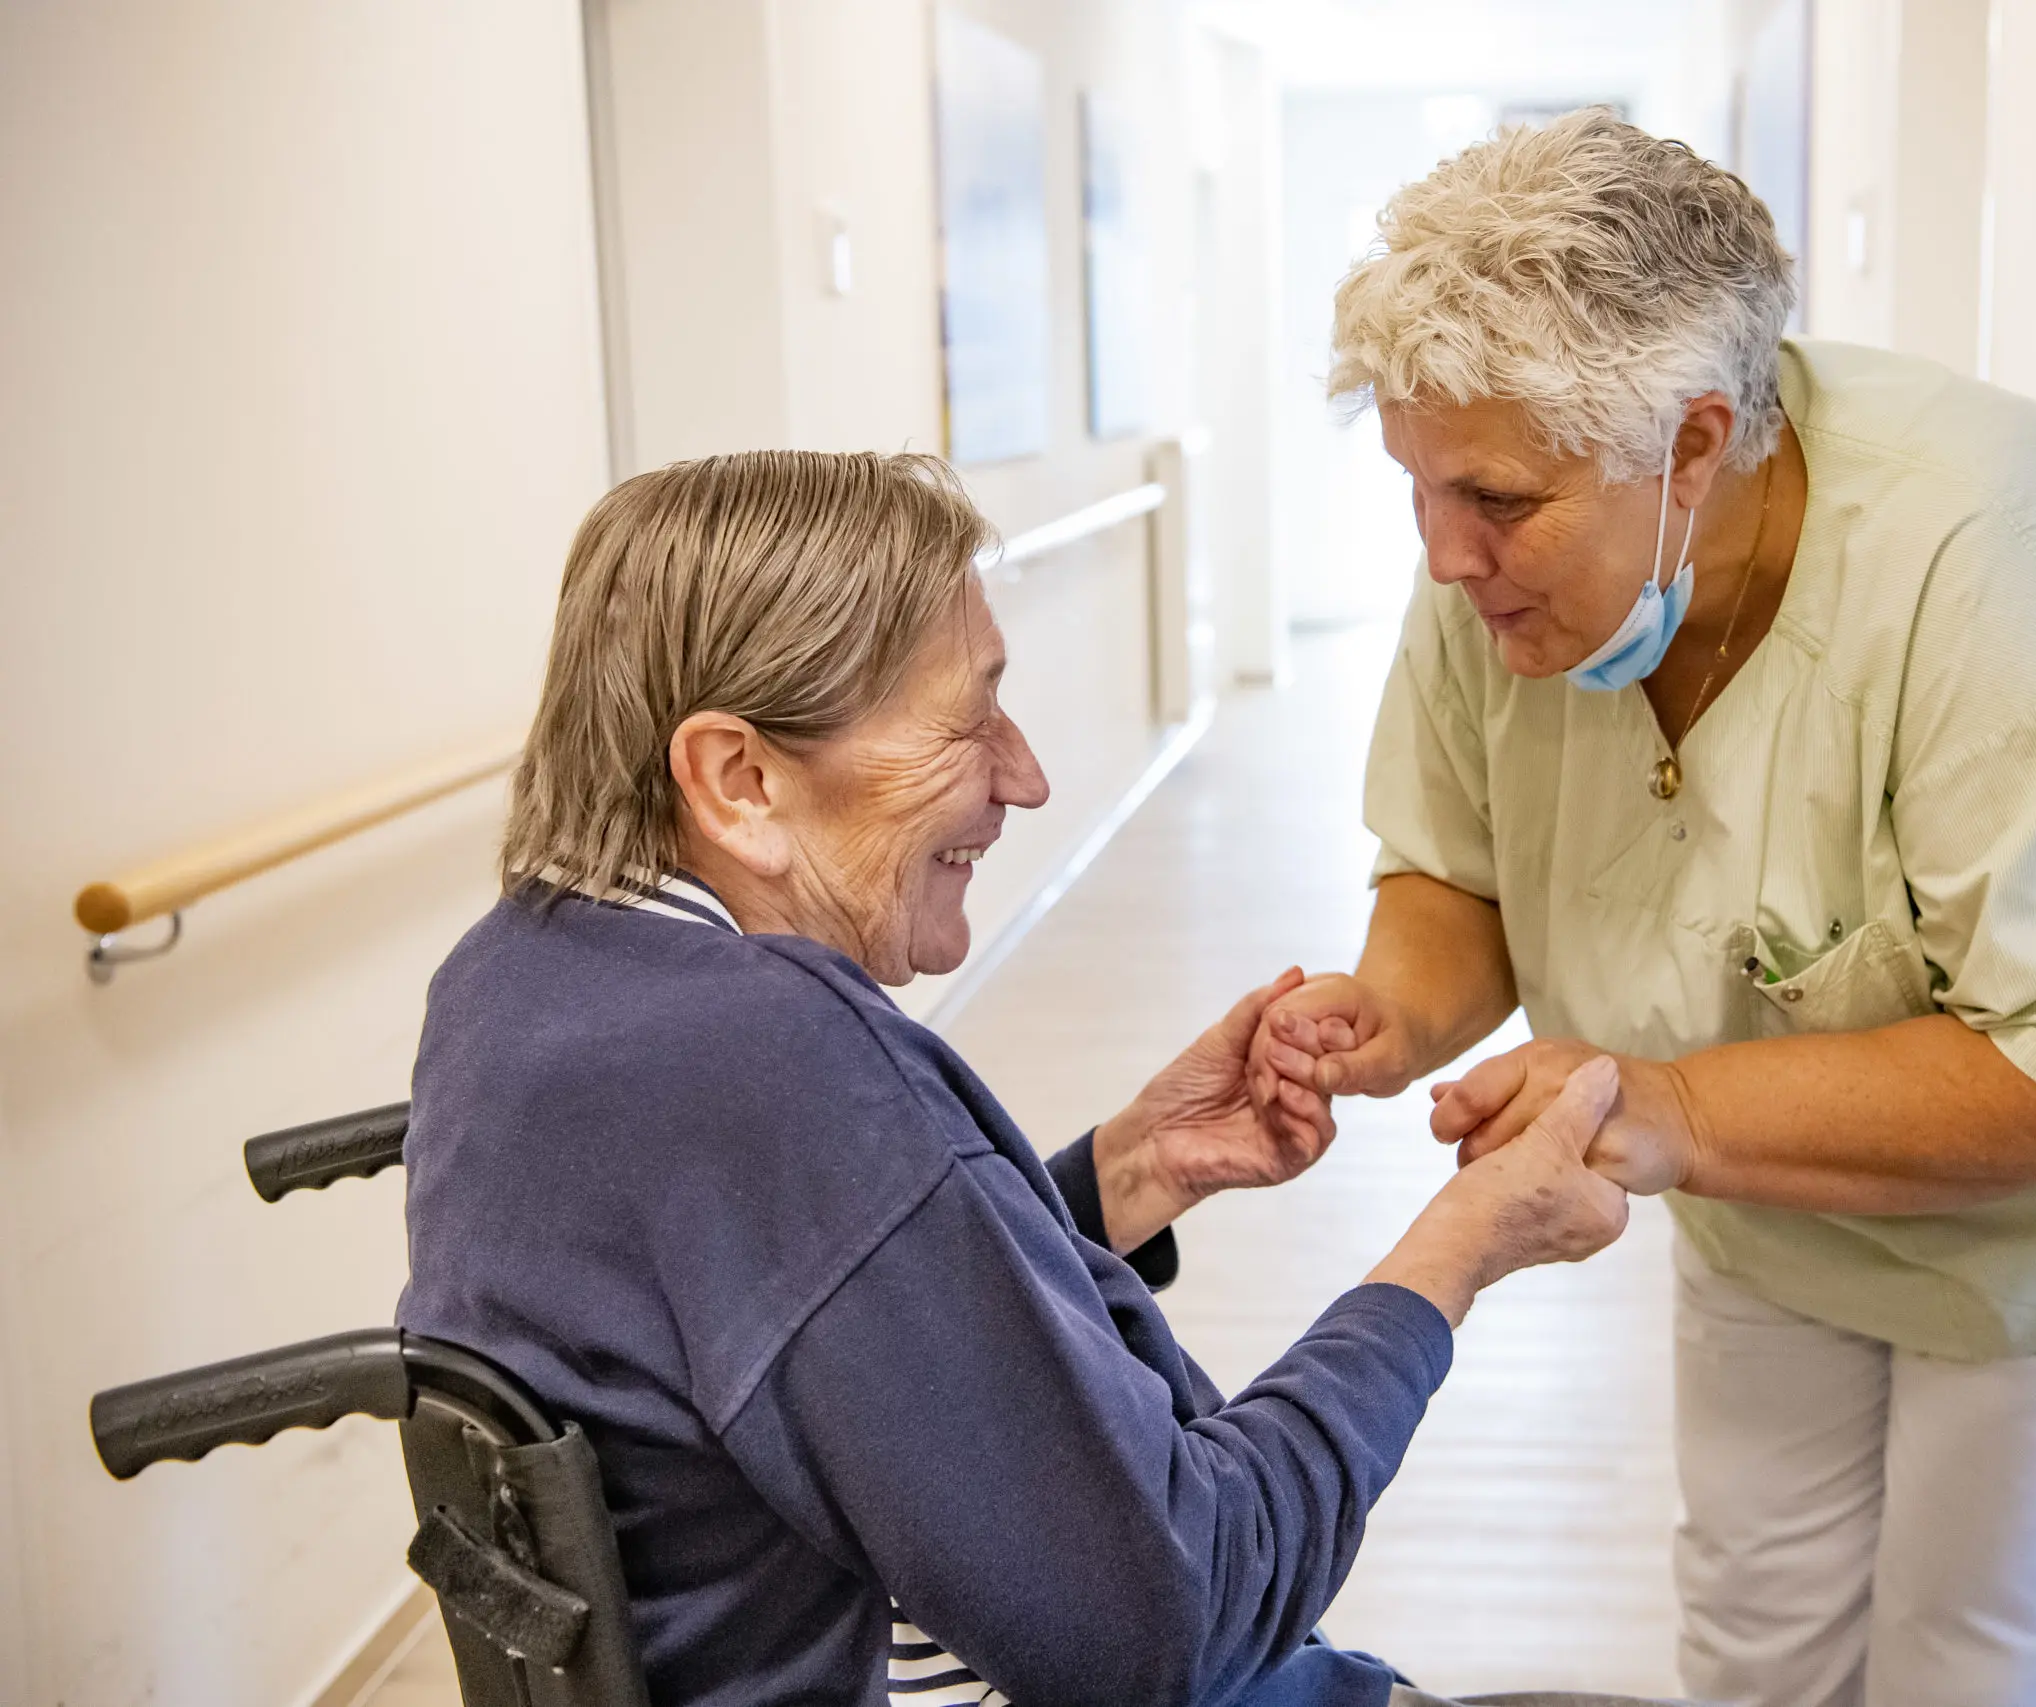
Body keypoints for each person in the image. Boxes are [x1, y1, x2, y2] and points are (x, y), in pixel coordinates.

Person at [1251, 110, 2036, 1707]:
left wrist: (1668, 1100)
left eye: (1496, 499)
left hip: (2034, 1232)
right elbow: (1458, 866)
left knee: (1978, 1659)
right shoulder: (1500, 551)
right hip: (1763, 1193)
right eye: (1416, 483)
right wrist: (1389, 1008)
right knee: (1756, 1635)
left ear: (1691, 443)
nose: (1445, 552)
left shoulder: (1988, 546)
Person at [399, 449, 1672, 1707]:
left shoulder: (519, 978)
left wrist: (1130, 1170)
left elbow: (838, 1333)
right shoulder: (771, 1062)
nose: (1026, 774)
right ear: (742, 781)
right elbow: (1171, 1621)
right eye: (969, 718)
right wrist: (1451, 1256)